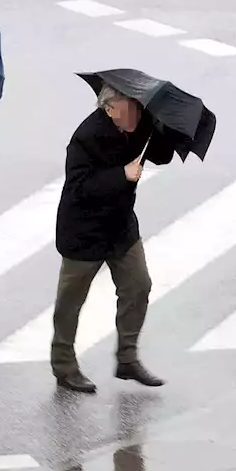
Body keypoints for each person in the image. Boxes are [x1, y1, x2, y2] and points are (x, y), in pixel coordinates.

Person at [51, 83, 174, 393]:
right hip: (84, 232)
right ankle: (64, 366)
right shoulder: (86, 136)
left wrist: (165, 131)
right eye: (129, 106)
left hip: (121, 227)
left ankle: (127, 358)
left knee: (138, 285)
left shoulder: (140, 122)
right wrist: (122, 175)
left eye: (137, 105)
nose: (136, 112)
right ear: (109, 109)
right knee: (70, 301)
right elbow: (79, 188)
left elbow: (160, 156)